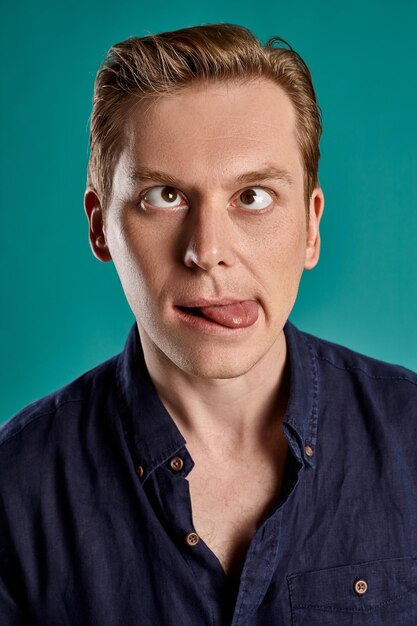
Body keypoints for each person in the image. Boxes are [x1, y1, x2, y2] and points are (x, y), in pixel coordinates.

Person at [1, 22, 417, 626]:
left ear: (311, 226)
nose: (208, 250)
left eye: (253, 197)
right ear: (100, 227)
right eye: (164, 196)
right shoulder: (16, 491)